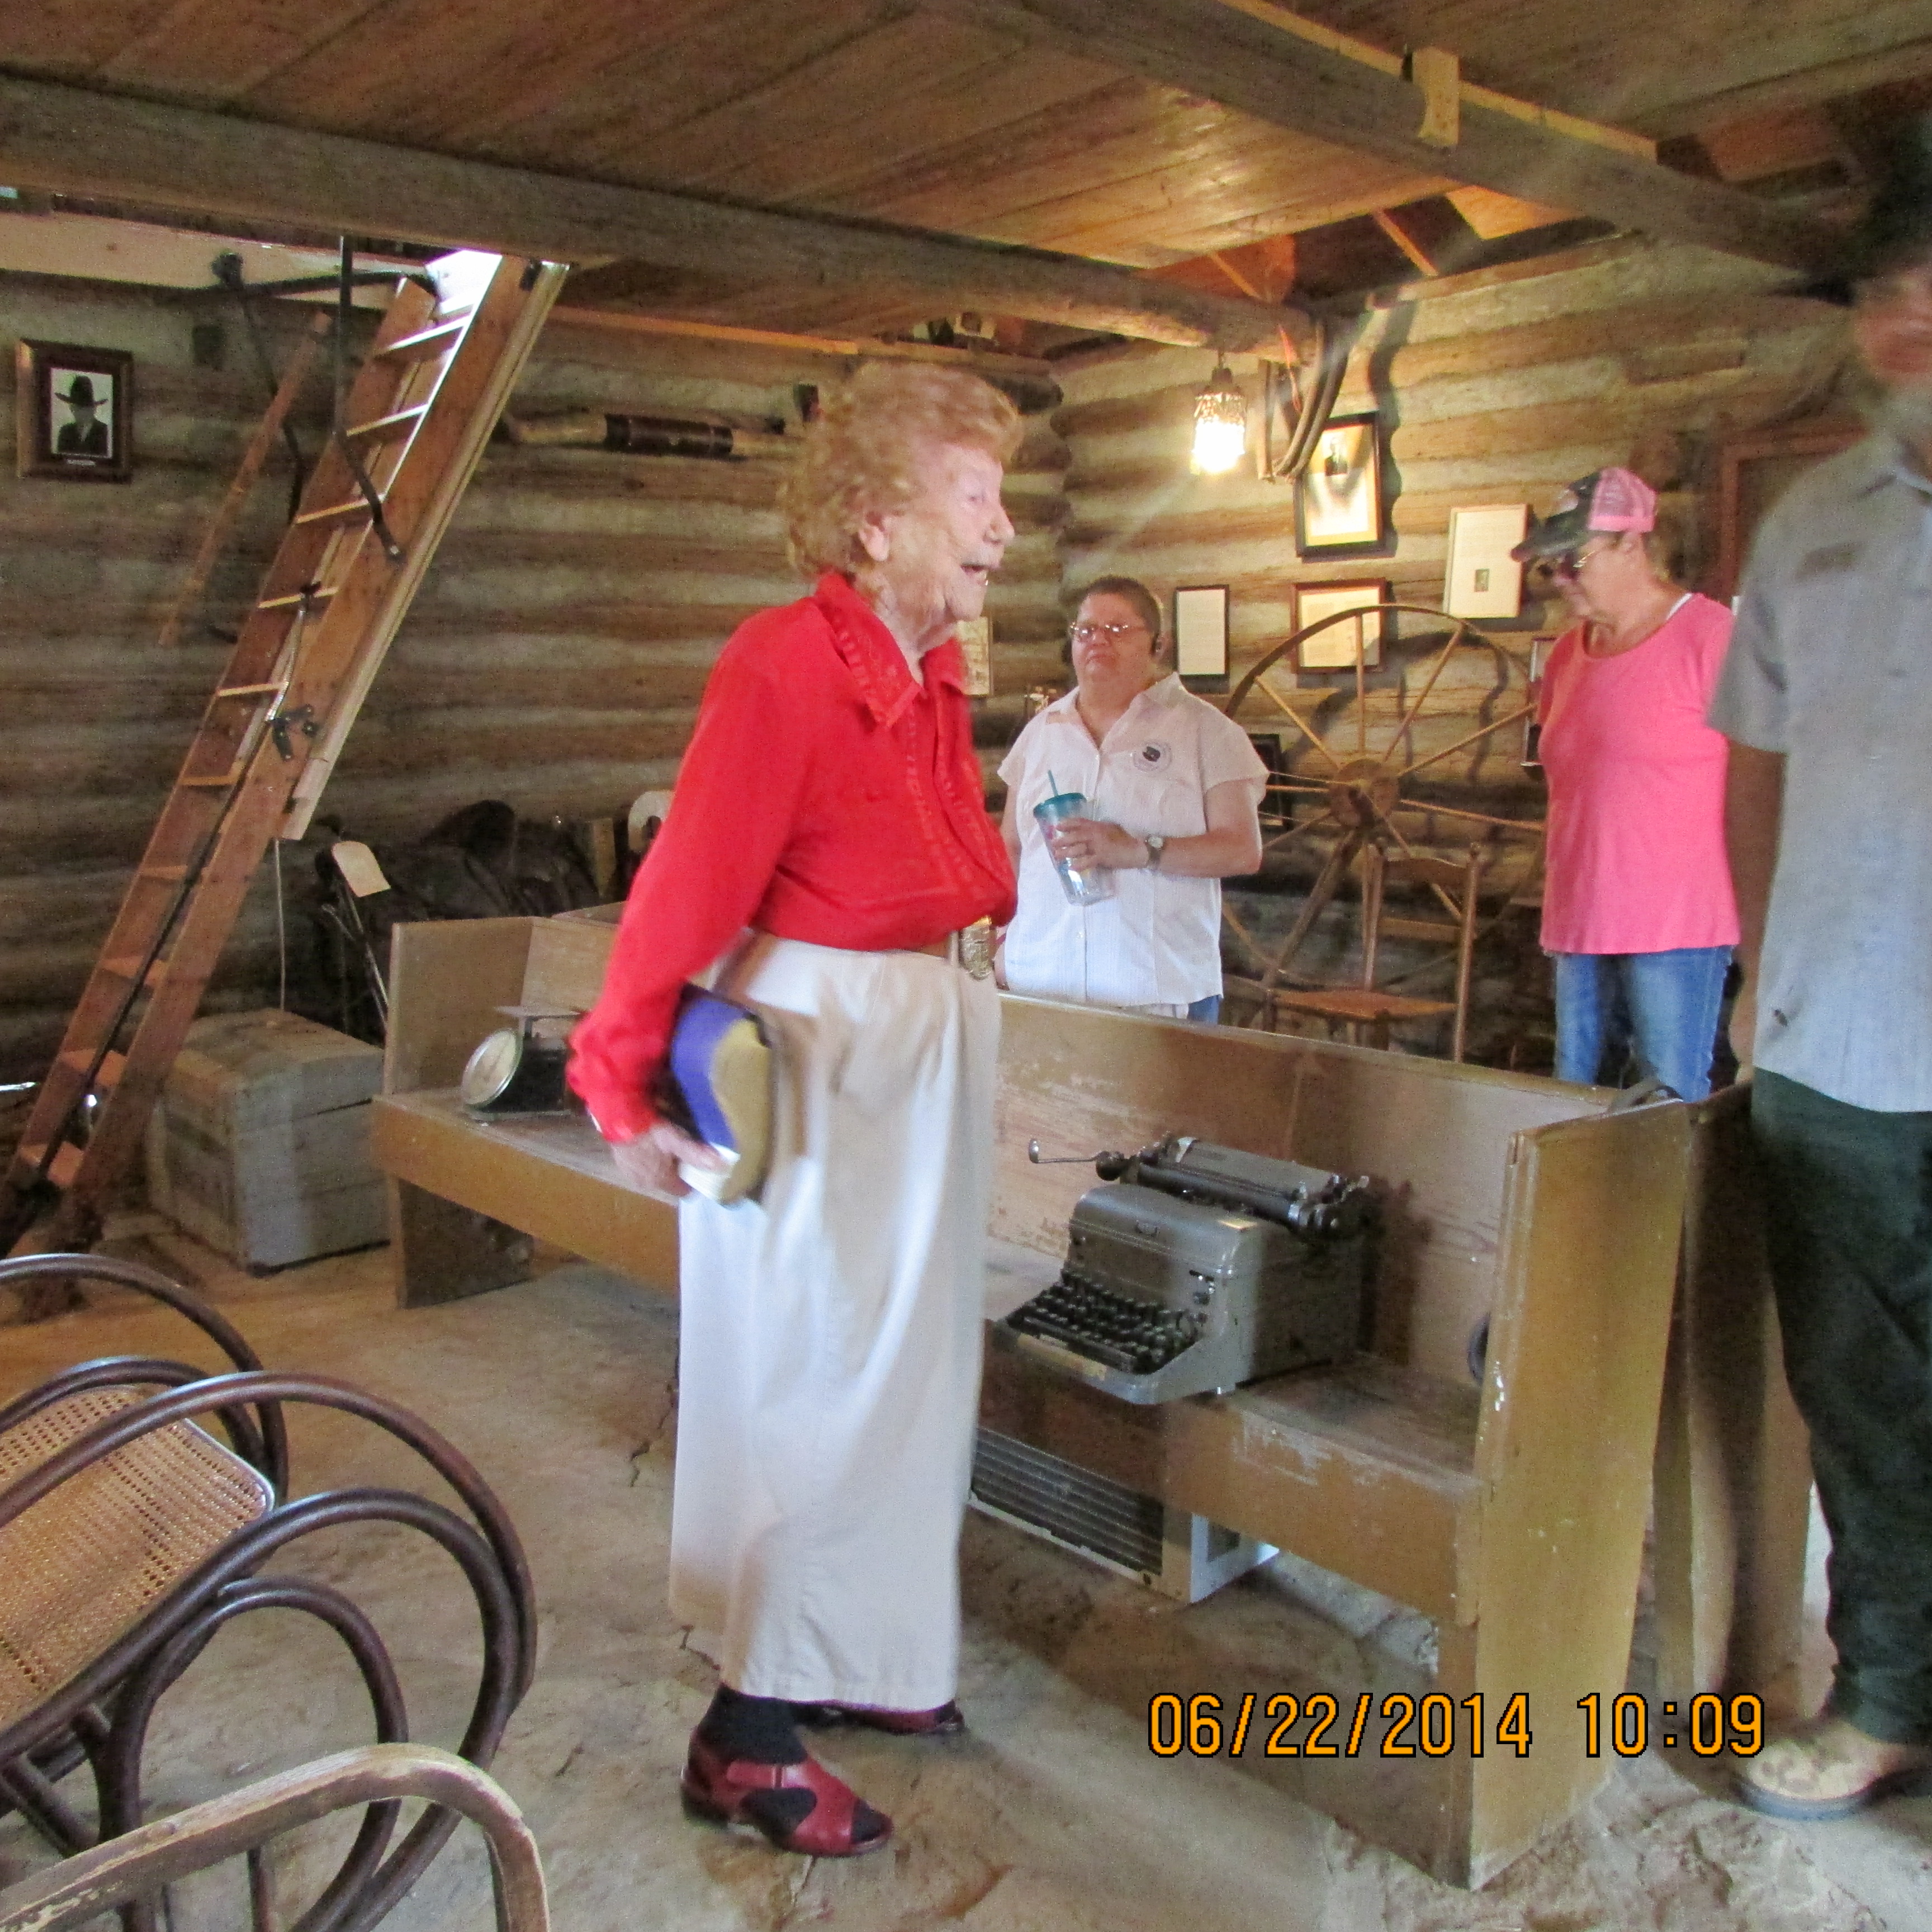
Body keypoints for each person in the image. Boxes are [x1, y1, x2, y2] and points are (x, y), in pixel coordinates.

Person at [567, 363, 1020, 1858]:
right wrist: (616, 1077)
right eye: (975, 498)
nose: (1002, 531)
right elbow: (685, 886)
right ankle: (746, 1734)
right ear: (877, 522)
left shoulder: (932, 674)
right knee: (825, 1380)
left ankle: (854, 1654)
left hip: (907, 1048)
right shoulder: (784, 663)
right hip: (828, 1055)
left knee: (910, 1379)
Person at [1711, 115, 1932, 1821]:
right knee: (1861, 1399)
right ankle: (1888, 1696)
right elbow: (1758, 773)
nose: (1906, 318)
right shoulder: (1807, 527)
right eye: (1883, 291)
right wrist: (1756, 977)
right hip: (1839, 1044)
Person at [1513, 468, 1738, 1100]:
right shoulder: (1567, 656)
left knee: (1664, 1102)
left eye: (1575, 561)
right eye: (1551, 567)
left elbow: (1763, 777)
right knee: (1573, 1104)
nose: (1562, 579)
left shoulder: (1710, 637)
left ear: (1631, 544)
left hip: (1676, 923)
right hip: (1579, 915)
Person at [998, 575, 1265, 1021]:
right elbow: (1011, 844)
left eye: (1118, 629)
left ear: (1159, 644)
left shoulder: (1207, 732)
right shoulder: (1041, 732)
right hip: (1041, 983)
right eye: (1086, 630)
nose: (1098, 641)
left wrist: (1139, 850)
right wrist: (1004, 937)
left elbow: (1241, 850)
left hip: (1156, 993)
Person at [54, 373, 109, 457]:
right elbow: (61, 459)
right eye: (78, 409)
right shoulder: (65, 431)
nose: (82, 413)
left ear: (94, 409)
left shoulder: (103, 430)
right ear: (72, 409)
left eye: (86, 408)